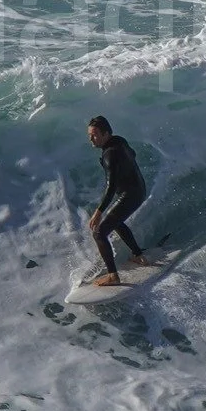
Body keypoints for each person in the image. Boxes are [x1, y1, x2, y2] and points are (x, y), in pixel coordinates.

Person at [86, 115, 152, 286]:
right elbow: (133, 154)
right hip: (139, 190)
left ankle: (113, 276)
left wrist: (98, 212)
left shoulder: (109, 155)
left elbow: (111, 186)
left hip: (129, 195)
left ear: (106, 133)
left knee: (99, 233)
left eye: (94, 135)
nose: (91, 139)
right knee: (115, 221)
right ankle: (139, 256)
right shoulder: (120, 141)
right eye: (89, 135)